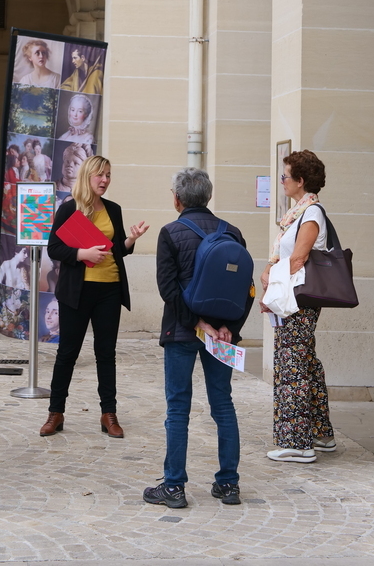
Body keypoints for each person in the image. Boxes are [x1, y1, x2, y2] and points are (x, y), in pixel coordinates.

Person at [143, 168, 253, 510]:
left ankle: (174, 487)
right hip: (221, 335)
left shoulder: (171, 233)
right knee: (223, 404)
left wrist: (197, 323)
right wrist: (229, 329)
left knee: (178, 407)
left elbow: (168, 290)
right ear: (207, 197)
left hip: (180, 332)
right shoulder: (232, 232)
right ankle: (228, 485)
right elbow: (247, 289)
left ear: (177, 199)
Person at [40, 155, 149, 439]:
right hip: (77, 292)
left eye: (109, 175)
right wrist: (81, 254)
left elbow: (117, 249)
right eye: (100, 175)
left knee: (106, 354)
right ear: (88, 177)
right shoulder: (69, 209)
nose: (105, 180)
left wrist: (131, 239)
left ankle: (108, 413)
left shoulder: (113, 209)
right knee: (67, 354)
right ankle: (55, 412)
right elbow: (53, 248)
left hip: (109, 289)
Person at [260, 149, 335, 463]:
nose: (282, 181)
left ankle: (297, 443)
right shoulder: (299, 213)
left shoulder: (311, 213)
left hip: (297, 302)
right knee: (306, 364)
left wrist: (270, 282)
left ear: (301, 181)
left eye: (285, 176)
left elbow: (299, 258)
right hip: (292, 299)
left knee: (292, 368)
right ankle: (321, 433)